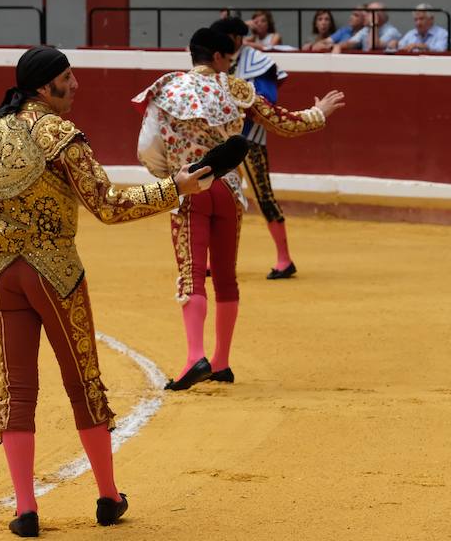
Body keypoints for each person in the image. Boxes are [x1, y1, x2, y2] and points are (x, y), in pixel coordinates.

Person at [0, 46, 212, 537]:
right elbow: (107, 205)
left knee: (17, 389)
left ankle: (25, 509)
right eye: (68, 78)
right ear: (46, 85)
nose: (76, 86)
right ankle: (109, 497)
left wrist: (8, 228)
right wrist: (173, 188)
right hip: (56, 270)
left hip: (4, 270)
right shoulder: (58, 134)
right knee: (83, 382)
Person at [133, 28, 345, 391]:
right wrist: (318, 114)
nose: (232, 63)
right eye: (229, 57)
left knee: (192, 274)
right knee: (226, 277)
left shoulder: (167, 89)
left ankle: (194, 357)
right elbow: (282, 122)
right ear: (217, 57)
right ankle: (221, 361)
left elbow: (147, 145)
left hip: (189, 190)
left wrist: (168, 176)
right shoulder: (235, 89)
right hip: (229, 191)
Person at [210, 16, 298, 279]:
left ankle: (285, 259)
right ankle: (219, 261)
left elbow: (267, 100)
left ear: (237, 38)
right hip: (223, 139)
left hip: (250, 140)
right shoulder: (221, 62)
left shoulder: (257, 62)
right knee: (219, 198)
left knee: (263, 196)